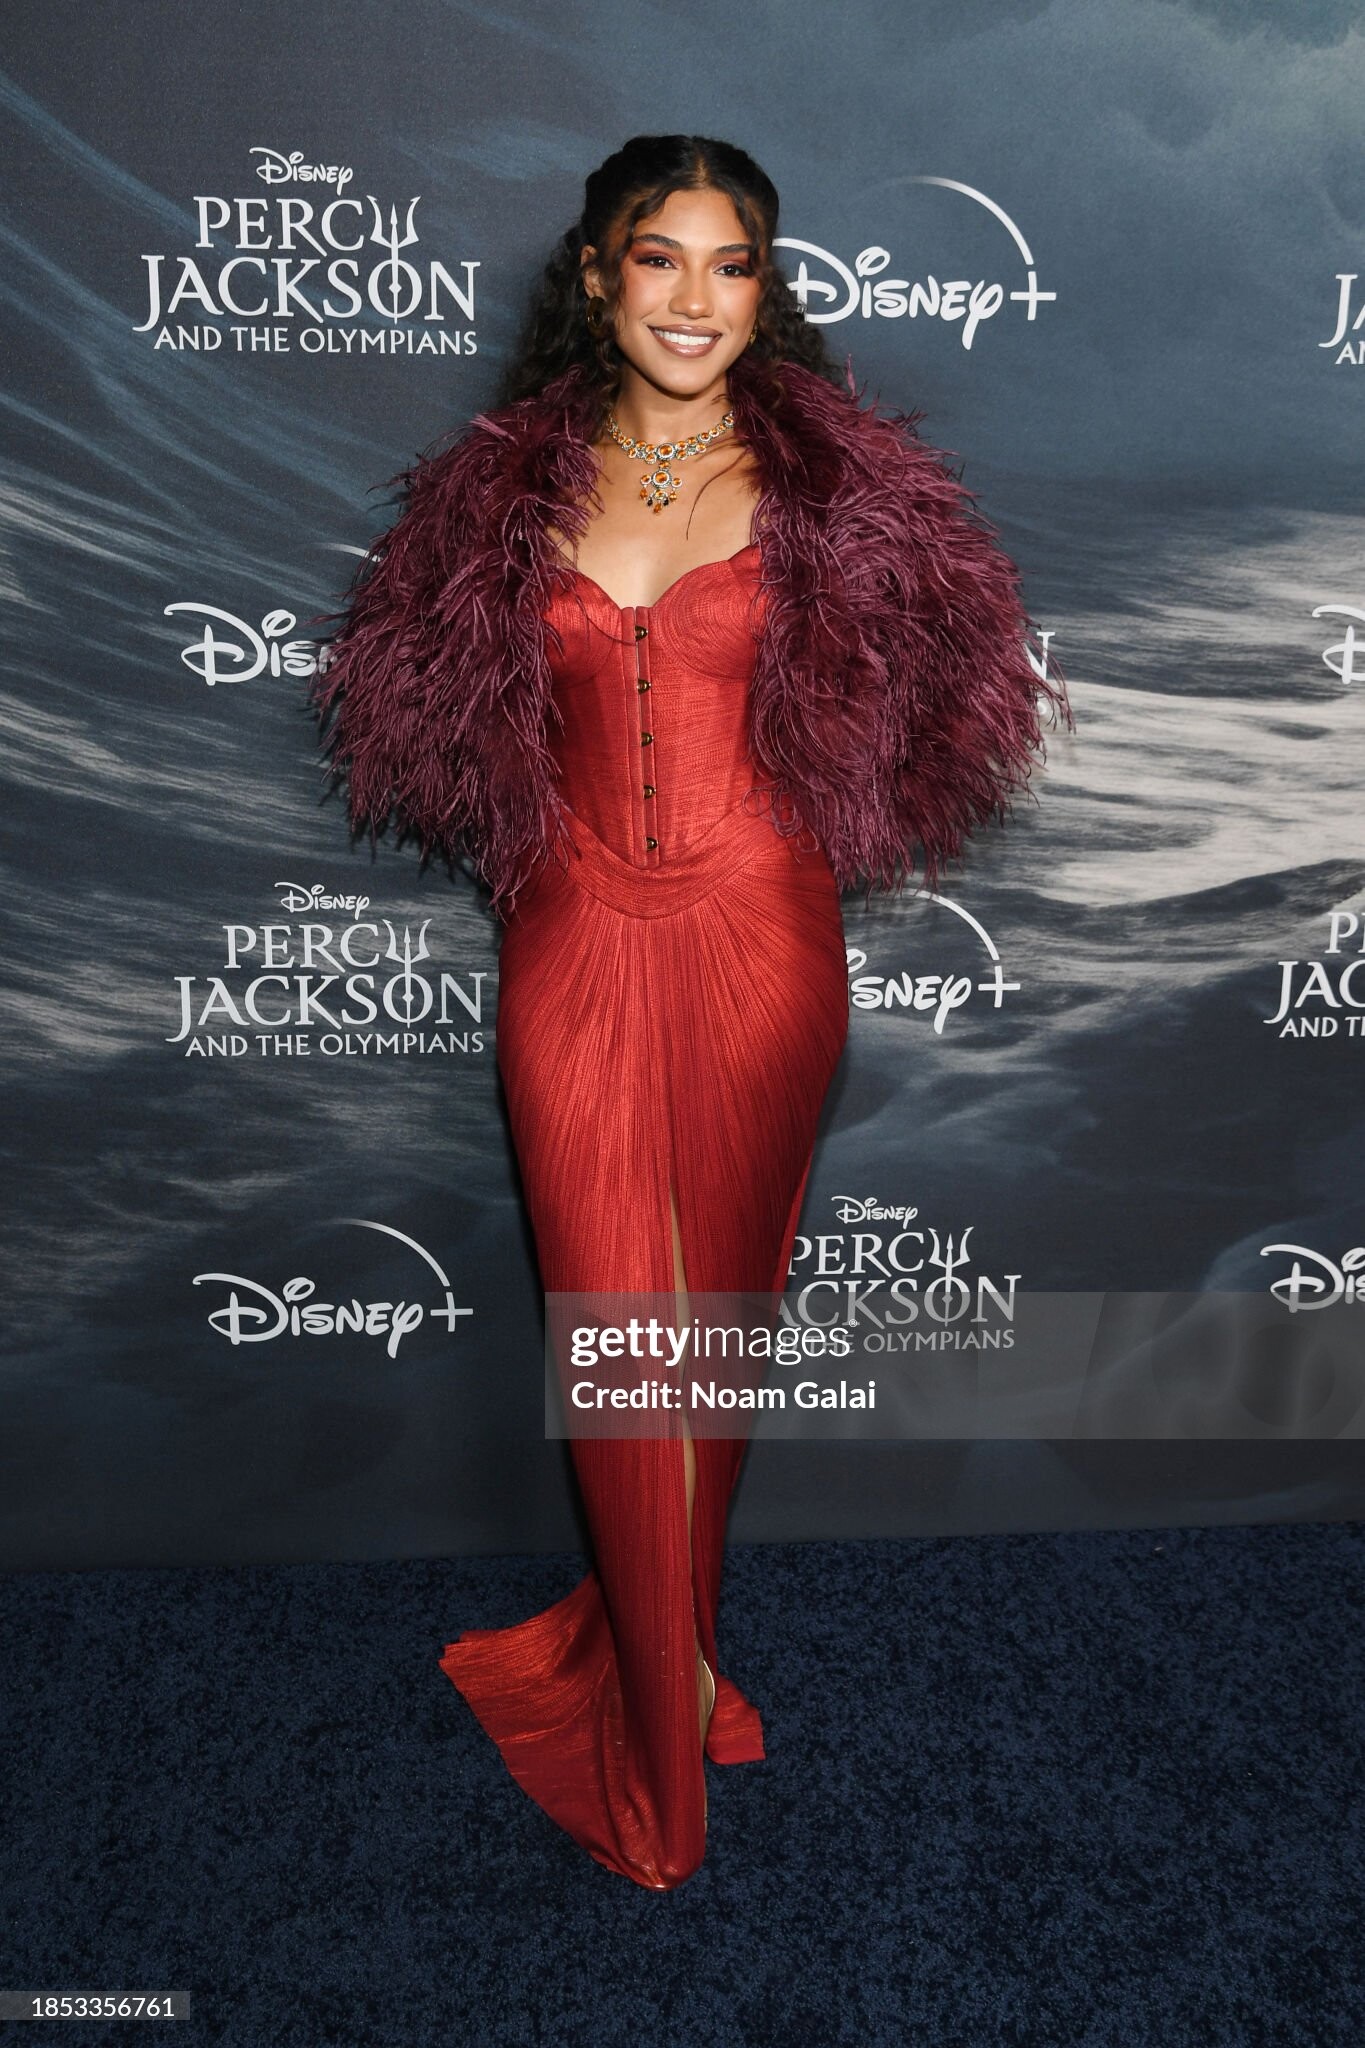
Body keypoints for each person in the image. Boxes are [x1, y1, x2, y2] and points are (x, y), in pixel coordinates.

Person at [308, 133, 1072, 1890]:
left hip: (757, 942)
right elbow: (438, 713)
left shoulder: (836, 488)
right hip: (572, 938)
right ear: (597, 275)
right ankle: (656, 1723)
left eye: (733, 266)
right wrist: (541, 847)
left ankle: (666, 1663)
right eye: (660, 258)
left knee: (702, 1337)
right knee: (617, 1336)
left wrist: (818, 798)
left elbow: (945, 698)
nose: (695, 300)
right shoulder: (500, 493)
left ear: (764, 289)